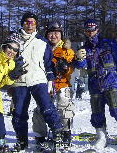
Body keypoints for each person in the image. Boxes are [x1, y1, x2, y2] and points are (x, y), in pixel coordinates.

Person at [76, 19, 117, 149]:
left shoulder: (108, 43)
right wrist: (79, 58)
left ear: (97, 29)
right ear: (85, 32)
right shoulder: (84, 48)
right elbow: (81, 67)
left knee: (116, 108)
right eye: (87, 30)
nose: (90, 32)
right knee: (96, 111)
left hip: (111, 81)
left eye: (92, 30)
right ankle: (101, 137)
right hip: (94, 84)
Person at [9, 12, 63, 152]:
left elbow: (48, 63)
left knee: (47, 108)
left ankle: (58, 135)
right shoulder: (13, 39)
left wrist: (51, 79)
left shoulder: (42, 41)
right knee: (19, 113)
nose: (30, 25)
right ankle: (21, 141)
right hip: (19, 81)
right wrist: (10, 74)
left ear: (36, 24)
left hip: (38, 79)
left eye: (33, 22)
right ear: (22, 23)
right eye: (27, 22)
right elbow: (5, 59)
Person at [32, 21, 76, 151]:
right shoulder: (42, 47)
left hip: (62, 83)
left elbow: (72, 68)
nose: (54, 36)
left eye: (57, 33)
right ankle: (40, 136)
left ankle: (65, 133)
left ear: (61, 35)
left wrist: (66, 68)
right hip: (45, 83)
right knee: (41, 109)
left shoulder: (66, 50)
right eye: (51, 33)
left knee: (64, 104)